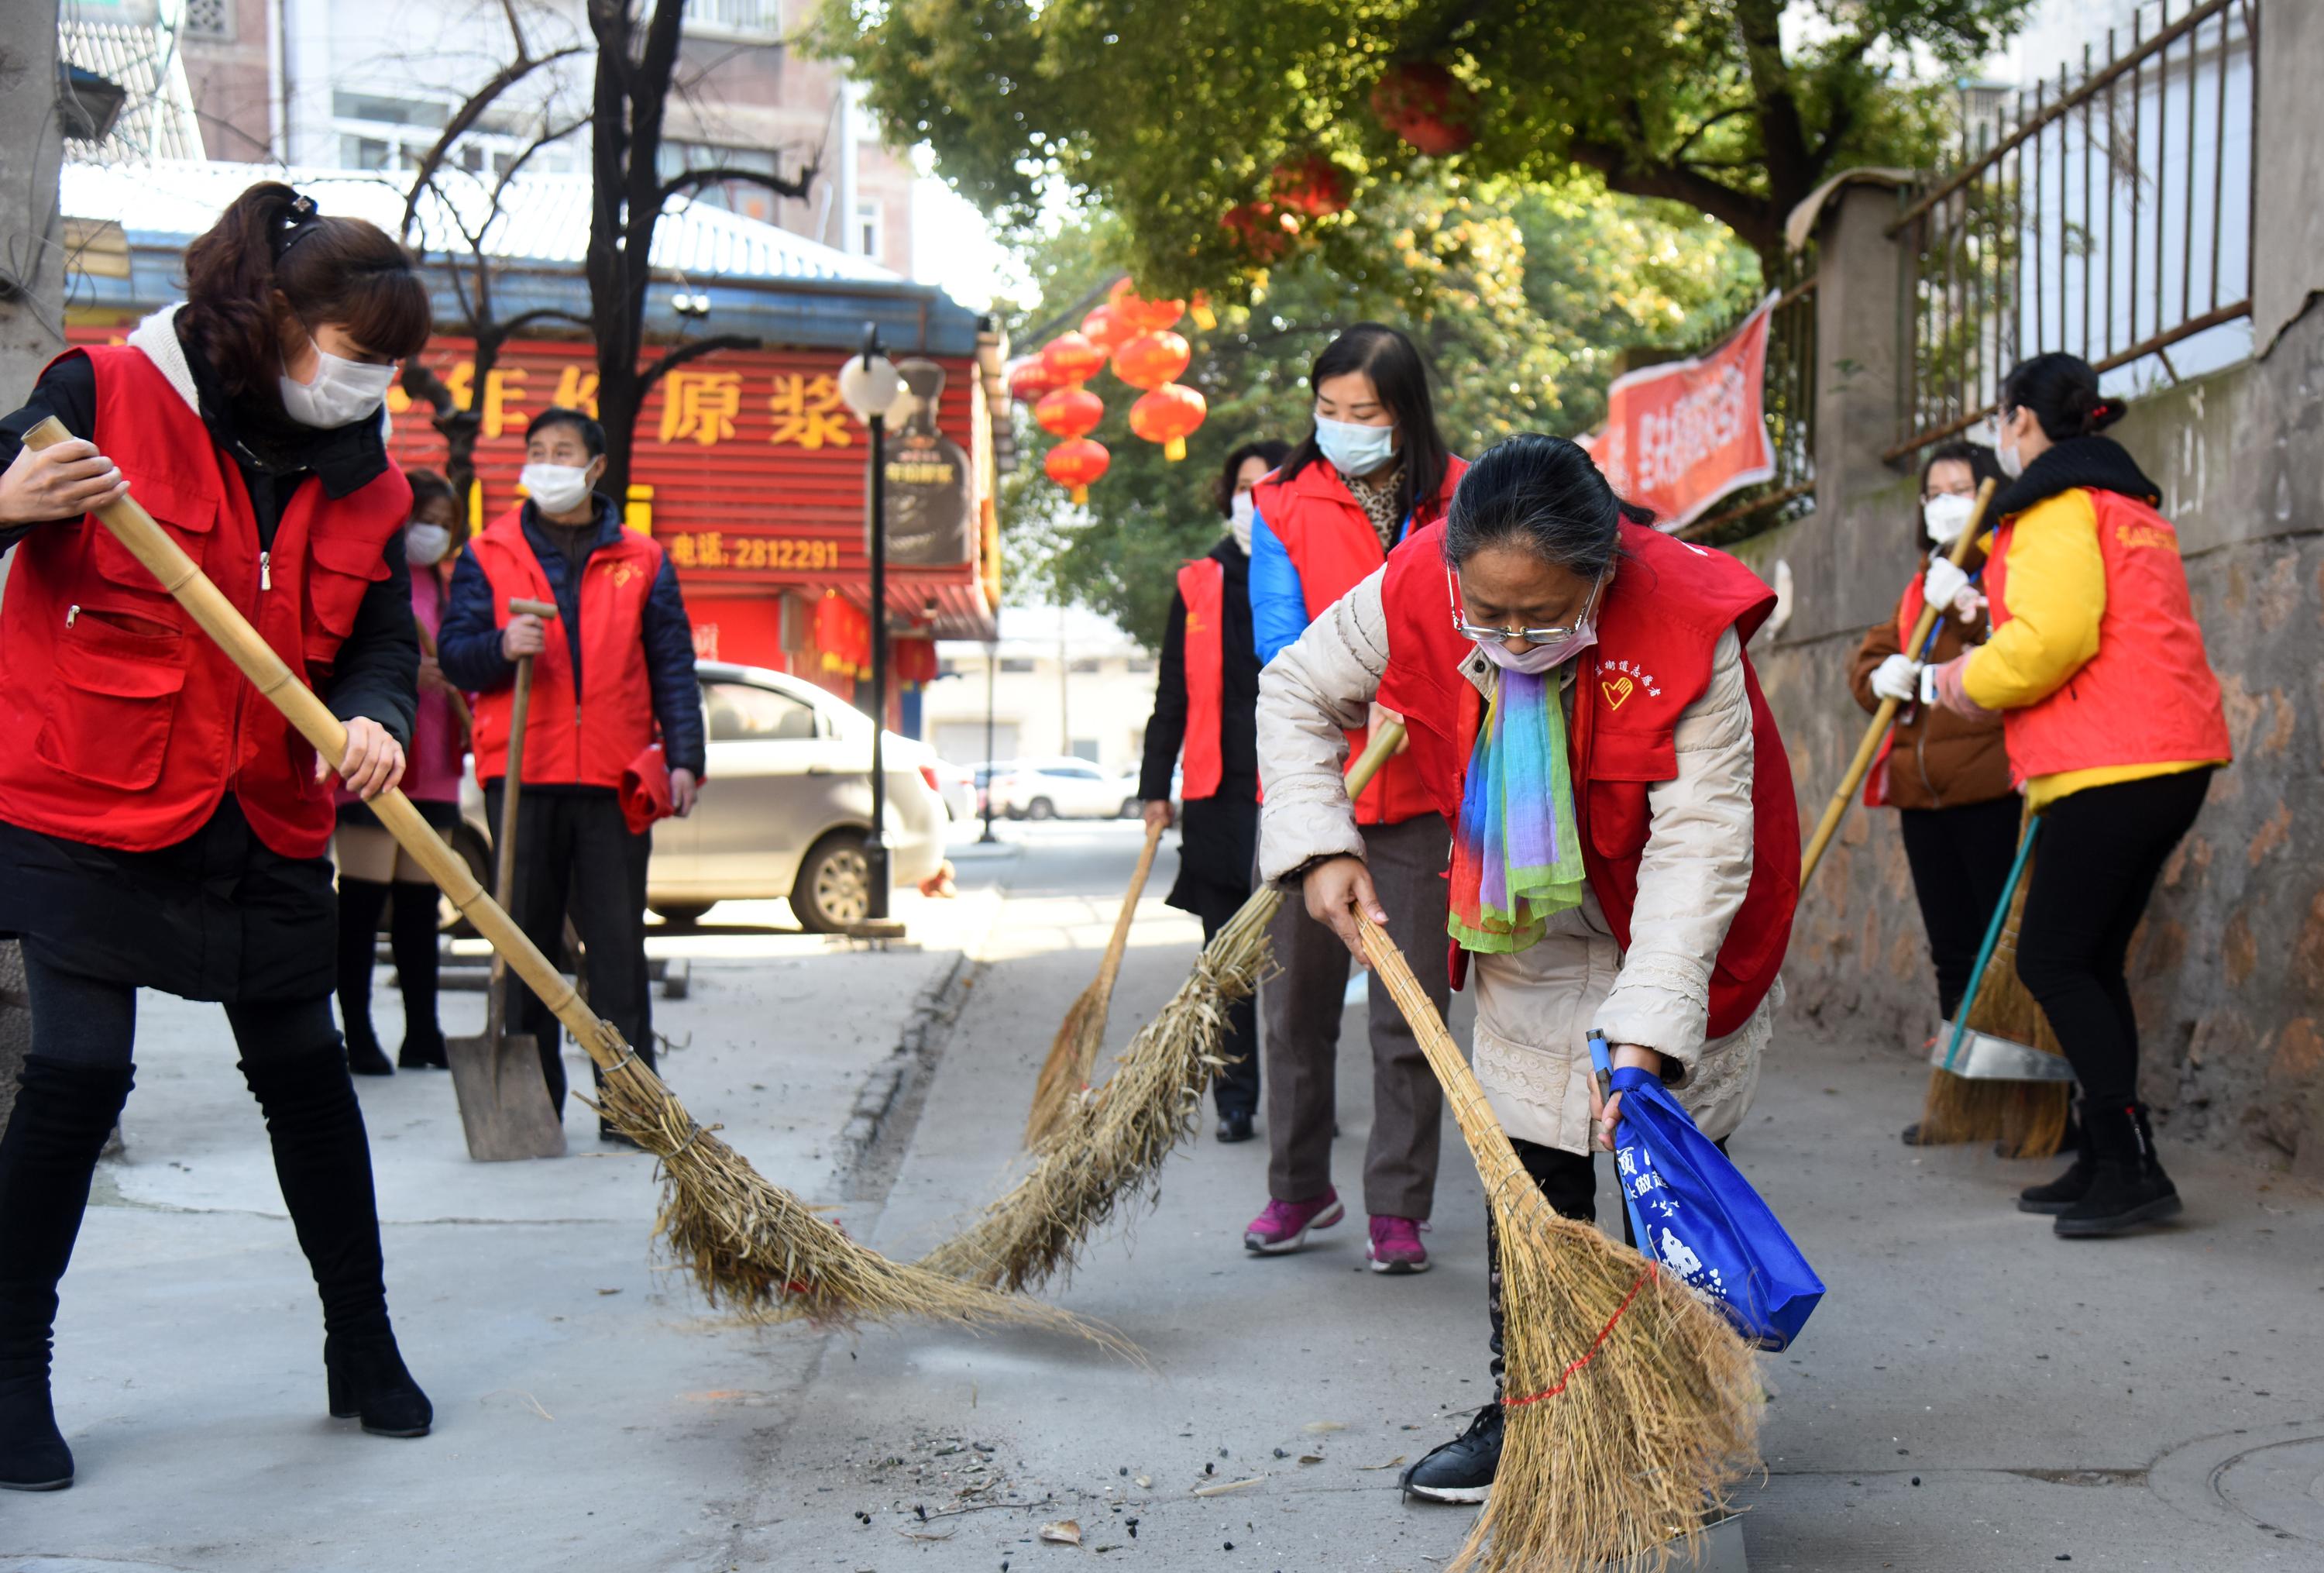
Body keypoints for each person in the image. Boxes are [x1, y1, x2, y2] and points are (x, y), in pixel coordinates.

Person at [1257, 433, 1798, 1503]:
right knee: (1531, 1180)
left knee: (1661, 1182)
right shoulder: (1415, 581)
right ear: (1454, 567)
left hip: (1684, 922)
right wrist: (1322, 843)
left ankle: (1672, 1423)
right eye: (1487, 612)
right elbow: (1297, 689)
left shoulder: (1689, 626)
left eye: (1539, 614)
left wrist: (1647, 1031)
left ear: (1602, 574)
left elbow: (1700, 849)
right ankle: (1533, 1412)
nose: (1508, 635)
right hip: (1529, 912)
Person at [0, 182, 436, 1489]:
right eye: (356, 359)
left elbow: (378, 638)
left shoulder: (367, 475)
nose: (368, 388)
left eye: (387, 370)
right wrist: (12, 492)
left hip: (261, 808)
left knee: (307, 1078)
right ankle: (12, 1369)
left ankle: (361, 1344)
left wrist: (372, 716)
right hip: (91, 797)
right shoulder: (106, 391)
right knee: (78, 1072)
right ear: (274, 320)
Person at [1928, 353, 2230, 1237]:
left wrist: (1963, 680)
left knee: (2053, 961)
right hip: (2164, 755)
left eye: (2000, 418)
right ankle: (2107, 1156)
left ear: (2021, 419)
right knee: (2090, 960)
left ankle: (2129, 1160)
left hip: (2115, 760)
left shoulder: (2056, 506)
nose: (1999, 435)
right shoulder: (2127, 504)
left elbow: (2054, 635)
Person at [1243, 324, 1466, 1273]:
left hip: (1418, 785)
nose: (1342, 428)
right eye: (1327, 411)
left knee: (1405, 1004)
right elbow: (1277, 639)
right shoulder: (1280, 504)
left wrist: (1418, 687)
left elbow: (1480, 613)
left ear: (1404, 412)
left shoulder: (1465, 498)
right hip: (1311, 787)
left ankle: (1397, 1205)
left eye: (1363, 413)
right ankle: (1298, 1187)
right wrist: (1358, 685)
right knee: (1294, 1006)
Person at [438, 406, 704, 1144]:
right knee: (524, 946)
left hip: (615, 777)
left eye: (562, 452)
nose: (545, 463)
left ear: (594, 469)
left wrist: (685, 757)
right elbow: (456, 654)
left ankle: (631, 1109)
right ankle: (535, 1108)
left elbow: (672, 665)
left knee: (617, 946)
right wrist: (501, 644)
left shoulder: (644, 559)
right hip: (522, 772)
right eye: (535, 451)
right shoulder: (488, 553)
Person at [1847, 440, 2021, 1144]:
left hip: (1989, 786)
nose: (1946, 500)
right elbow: (1870, 661)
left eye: (1961, 487)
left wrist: (1975, 614)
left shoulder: (2008, 562)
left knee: (2003, 950)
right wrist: (1884, 673)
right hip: (1924, 798)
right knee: (1953, 952)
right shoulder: (1922, 582)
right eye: (1935, 491)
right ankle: (1962, 1100)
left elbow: (2014, 651)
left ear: (1988, 492)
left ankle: (2027, 1107)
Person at [1140, 437, 1289, 1143]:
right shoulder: (1199, 579)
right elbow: (1172, 688)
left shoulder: (1305, 571)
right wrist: (1153, 785)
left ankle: (1299, 1104)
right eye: (1242, 486)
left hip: (1291, 785)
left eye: (1268, 486)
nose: (1251, 499)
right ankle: (1235, 1097)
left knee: (1294, 957)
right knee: (1226, 955)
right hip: (1217, 793)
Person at [335, 467, 465, 1076]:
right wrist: (406, 675)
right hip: (379, 755)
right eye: (423, 521)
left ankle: (423, 1032)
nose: (431, 534)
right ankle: (356, 1034)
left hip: (435, 761)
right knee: (362, 906)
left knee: (420, 905)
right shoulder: (374, 574)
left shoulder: (448, 586)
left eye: (443, 525)